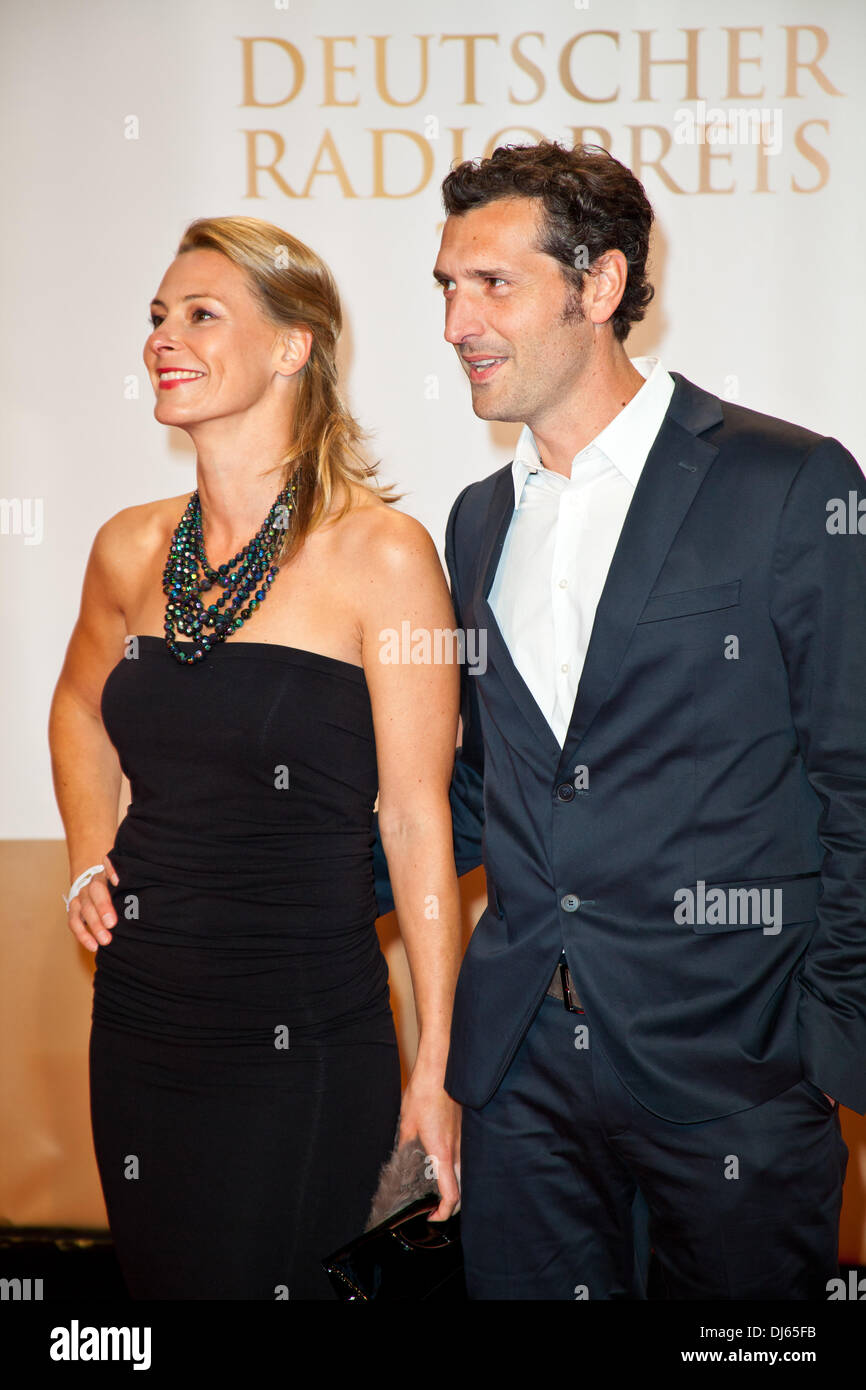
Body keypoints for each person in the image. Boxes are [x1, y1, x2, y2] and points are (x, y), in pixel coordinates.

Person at [377, 140, 866, 1299]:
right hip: (521, 1077)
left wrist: (823, 1044)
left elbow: (853, 772)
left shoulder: (788, 482)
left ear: (598, 288)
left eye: (492, 284)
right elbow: (482, 787)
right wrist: (265, 889)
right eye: (446, 286)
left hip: (730, 1069)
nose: (457, 322)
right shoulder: (476, 521)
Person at [48, 215, 461, 1300]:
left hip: (304, 1036)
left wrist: (436, 1073)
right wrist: (90, 853)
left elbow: (417, 821)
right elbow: (79, 711)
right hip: (138, 1021)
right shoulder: (129, 546)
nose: (161, 339)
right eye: (155, 317)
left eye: (199, 315)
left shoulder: (383, 554)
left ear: (293, 346)